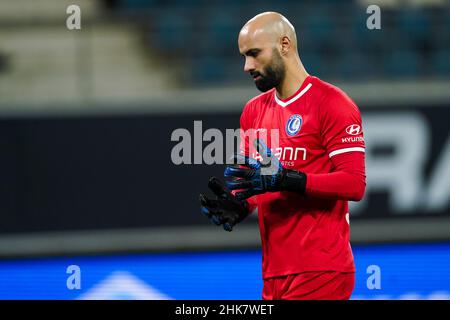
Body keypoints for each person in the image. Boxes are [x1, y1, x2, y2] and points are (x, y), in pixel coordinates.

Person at [199, 12, 366, 300]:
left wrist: (289, 180)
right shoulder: (253, 111)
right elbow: (256, 181)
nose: (246, 66)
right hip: (274, 273)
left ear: (285, 45)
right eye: (244, 56)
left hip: (321, 271)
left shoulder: (332, 103)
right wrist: (242, 205)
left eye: (254, 54)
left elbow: (354, 184)